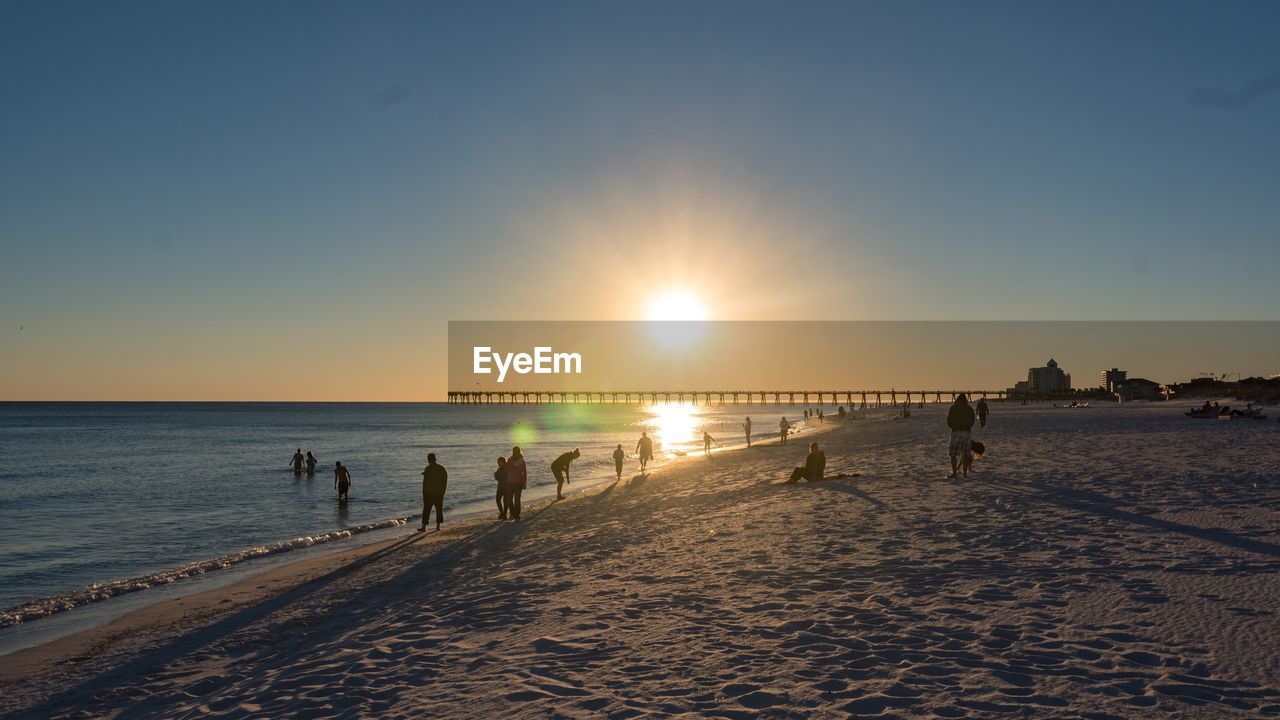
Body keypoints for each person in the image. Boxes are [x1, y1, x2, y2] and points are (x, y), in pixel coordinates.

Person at [946, 394, 976, 479]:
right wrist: (968, 426)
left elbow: (949, 420)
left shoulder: (953, 408)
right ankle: (965, 474)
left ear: (958, 399)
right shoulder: (969, 408)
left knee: (953, 454)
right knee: (966, 454)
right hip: (966, 432)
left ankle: (955, 473)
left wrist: (953, 426)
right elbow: (973, 420)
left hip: (956, 432)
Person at [419, 453, 448, 531]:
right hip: (437, 492)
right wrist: (443, 491)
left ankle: (424, 527)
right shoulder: (441, 468)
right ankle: (437, 526)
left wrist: (423, 492)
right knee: (438, 509)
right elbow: (445, 480)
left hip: (429, 492)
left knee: (427, 510)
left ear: (428, 460)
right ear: (435, 459)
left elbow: (425, 482)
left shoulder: (428, 468)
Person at [506, 446, 527, 520]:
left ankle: (516, 515)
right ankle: (513, 514)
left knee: (517, 499)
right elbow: (507, 470)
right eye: (513, 452)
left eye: (516, 452)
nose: (514, 453)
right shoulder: (509, 459)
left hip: (518, 482)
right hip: (509, 482)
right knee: (509, 499)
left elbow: (524, 473)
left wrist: (524, 483)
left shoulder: (522, 461)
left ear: (519, 452)